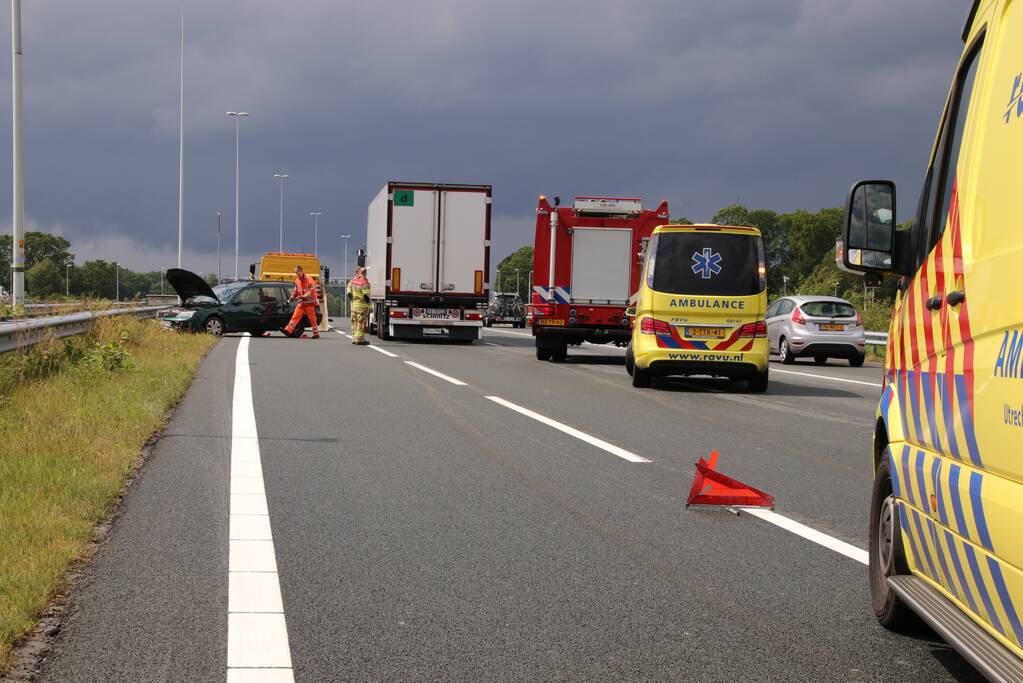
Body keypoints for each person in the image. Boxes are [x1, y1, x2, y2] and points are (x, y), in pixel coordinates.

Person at [283, 265, 320, 339]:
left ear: (301, 271)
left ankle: (316, 334)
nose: (296, 275)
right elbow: (295, 292)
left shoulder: (309, 279)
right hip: (302, 303)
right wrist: (290, 299)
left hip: (309, 303)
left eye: (297, 273)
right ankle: (288, 330)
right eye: (296, 273)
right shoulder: (297, 281)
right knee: (295, 316)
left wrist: (305, 296)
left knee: (312, 319)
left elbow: (312, 290)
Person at [347, 266, 371, 345]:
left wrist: (352, 301)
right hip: (362, 307)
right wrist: (369, 305)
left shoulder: (353, 282)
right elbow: (366, 296)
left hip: (354, 306)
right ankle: (360, 340)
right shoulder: (365, 283)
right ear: (365, 273)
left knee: (354, 322)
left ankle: (354, 339)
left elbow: (349, 293)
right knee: (361, 323)